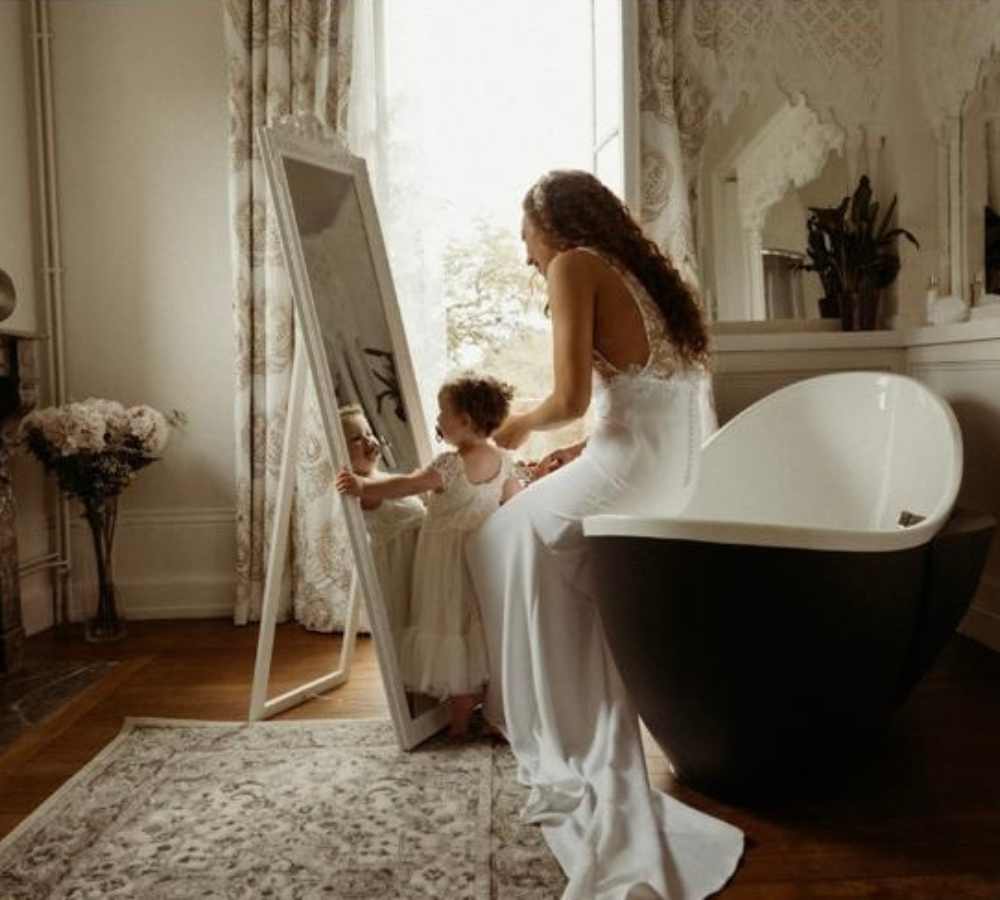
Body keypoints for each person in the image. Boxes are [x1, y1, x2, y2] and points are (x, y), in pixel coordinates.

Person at [464, 170, 743, 899]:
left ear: (551, 226)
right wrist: (574, 454)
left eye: (525, 238)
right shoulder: (639, 273)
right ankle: (562, 698)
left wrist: (516, 426)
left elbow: (570, 397)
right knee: (532, 532)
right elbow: (638, 398)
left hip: (633, 471)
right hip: (667, 470)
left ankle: (549, 723)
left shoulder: (573, 264)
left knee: (497, 537)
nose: (527, 257)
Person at [337, 372, 521, 738]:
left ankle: (456, 724)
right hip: (483, 560)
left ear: (464, 421)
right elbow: (514, 507)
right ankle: (485, 708)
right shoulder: (504, 461)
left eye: (442, 413)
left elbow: (403, 485)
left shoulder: (449, 466)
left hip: (444, 567)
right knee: (475, 631)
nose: (437, 420)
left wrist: (362, 485)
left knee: (447, 629)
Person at [339, 404, 425, 641]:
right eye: (357, 439)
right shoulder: (358, 488)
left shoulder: (384, 479)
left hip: (421, 568)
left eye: (369, 433)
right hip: (398, 579)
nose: (369, 441)